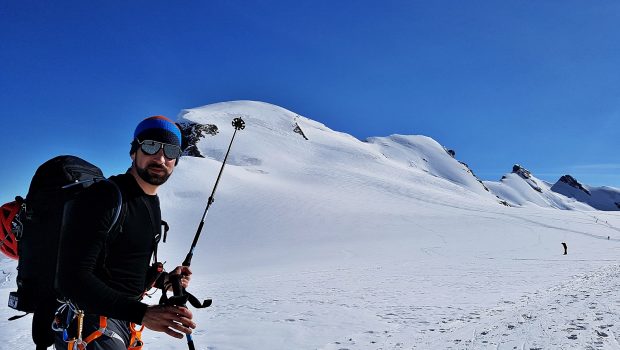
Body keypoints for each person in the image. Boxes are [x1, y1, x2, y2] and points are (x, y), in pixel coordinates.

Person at [54, 116, 196, 349]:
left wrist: (166, 280)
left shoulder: (151, 202)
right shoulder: (104, 197)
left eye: (170, 151)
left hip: (123, 321)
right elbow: (72, 280)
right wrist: (142, 313)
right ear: (134, 152)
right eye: (151, 146)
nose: (160, 158)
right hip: (89, 321)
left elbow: (123, 267)